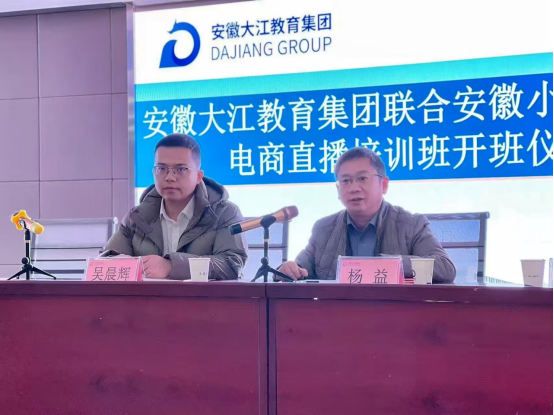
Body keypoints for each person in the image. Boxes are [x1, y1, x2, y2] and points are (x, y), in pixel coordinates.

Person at [279, 147, 456, 283]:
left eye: (362, 178)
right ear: (338, 190)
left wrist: (389, 265)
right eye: (346, 181)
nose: (354, 188)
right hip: (337, 316)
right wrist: (289, 269)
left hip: (395, 315)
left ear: (383, 185)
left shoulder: (411, 224)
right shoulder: (323, 229)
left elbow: (445, 268)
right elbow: (301, 267)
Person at [104, 134, 248, 280]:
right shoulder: (136, 217)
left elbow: (232, 263)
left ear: (198, 176)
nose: (169, 177)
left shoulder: (224, 213)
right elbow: (105, 260)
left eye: (181, 169)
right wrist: (117, 262)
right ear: (154, 172)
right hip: (147, 296)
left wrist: (172, 266)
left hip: (203, 295)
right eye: (162, 168)